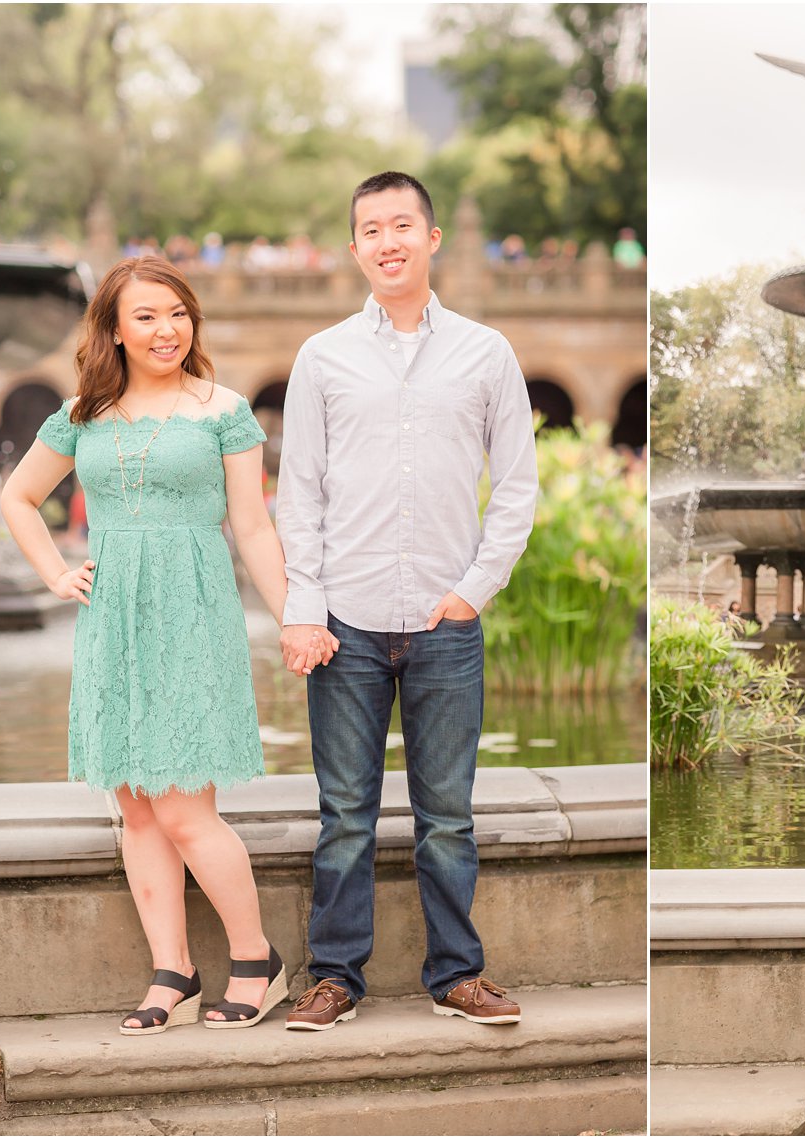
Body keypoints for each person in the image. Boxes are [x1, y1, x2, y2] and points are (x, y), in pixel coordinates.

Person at [0, 257, 323, 1035]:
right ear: (114, 328)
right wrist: (53, 571)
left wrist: (294, 616)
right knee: (137, 810)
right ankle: (172, 969)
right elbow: (17, 496)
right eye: (145, 315)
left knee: (183, 808)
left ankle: (256, 960)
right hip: (113, 617)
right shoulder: (81, 412)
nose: (166, 329)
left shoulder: (223, 409)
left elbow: (251, 526)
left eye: (177, 313)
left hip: (191, 610)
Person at [276, 171, 538, 1031]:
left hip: (443, 623)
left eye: (402, 225)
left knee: (447, 819)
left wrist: (472, 591)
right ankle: (335, 977)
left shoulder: (485, 352)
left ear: (432, 238)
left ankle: (457, 972)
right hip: (344, 620)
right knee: (344, 815)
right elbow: (298, 492)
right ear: (354, 249)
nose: (387, 241)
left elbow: (518, 486)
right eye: (370, 229)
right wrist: (304, 605)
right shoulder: (322, 357)